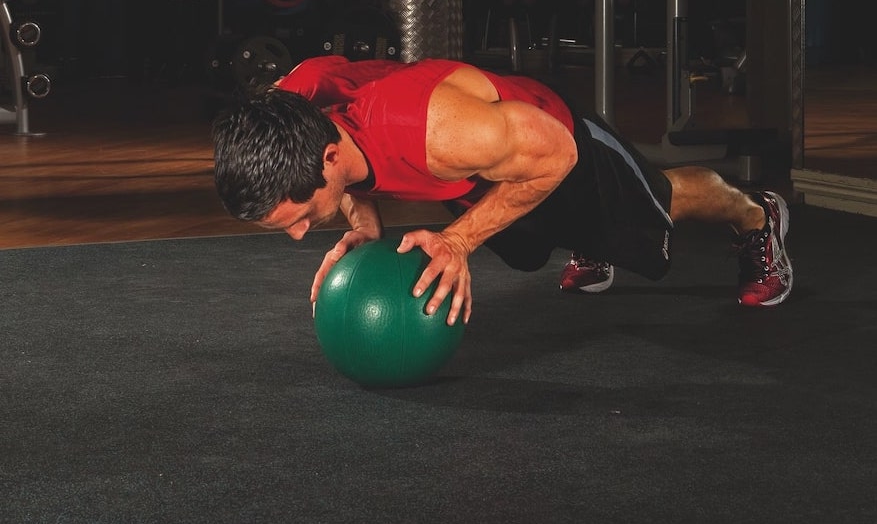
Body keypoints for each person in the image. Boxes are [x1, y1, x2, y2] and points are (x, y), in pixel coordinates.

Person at [212, 55, 792, 326]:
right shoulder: (291, 106)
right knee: (524, 247)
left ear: (329, 158)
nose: (295, 234)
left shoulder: (438, 132)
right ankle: (586, 241)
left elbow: (555, 154)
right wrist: (360, 217)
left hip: (554, 141)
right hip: (484, 168)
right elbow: (331, 133)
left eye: (298, 215)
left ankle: (755, 216)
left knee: (662, 201)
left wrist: (459, 242)